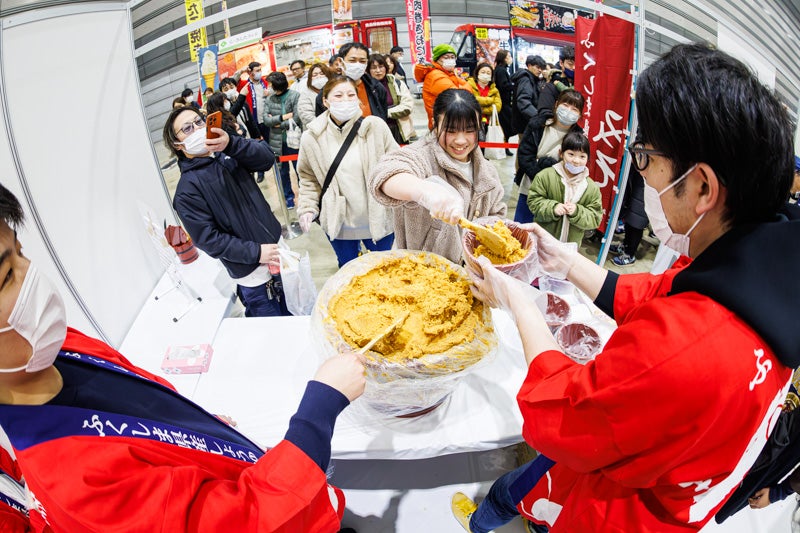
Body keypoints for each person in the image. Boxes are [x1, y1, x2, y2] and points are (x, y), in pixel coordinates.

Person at [452, 42, 800, 533]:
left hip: (629, 516)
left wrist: (517, 297)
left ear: (701, 186)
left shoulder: (686, 348)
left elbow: (565, 415)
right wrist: (566, 259)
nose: (640, 171)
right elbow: (655, 295)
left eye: (645, 156)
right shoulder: (760, 269)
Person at [0, 182, 367, 532]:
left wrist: (193, 431)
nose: (32, 276)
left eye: (21, 252)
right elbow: (250, 519)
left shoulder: (61, 347)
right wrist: (322, 404)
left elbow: (148, 403)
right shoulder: (78, 486)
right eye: (5, 277)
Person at [164, 106, 289, 317]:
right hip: (254, 276)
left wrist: (232, 143)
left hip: (281, 254)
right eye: (187, 128)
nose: (196, 129)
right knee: (275, 330)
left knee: (300, 317)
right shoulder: (187, 191)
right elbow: (208, 239)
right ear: (177, 144)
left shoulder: (227, 154)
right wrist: (256, 252)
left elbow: (266, 158)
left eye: (199, 122)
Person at [369, 88, 506, 264]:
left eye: (470, 130)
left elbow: (497, 217)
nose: (461, 140)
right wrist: (422, 190)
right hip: (422, 275)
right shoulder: (421, 155)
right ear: (434, 123)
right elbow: (385, 173)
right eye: (451, 130)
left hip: (471, 275)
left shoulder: (487, 172)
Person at [297, 76, 397, 267]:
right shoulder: (312, 137)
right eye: (338, 95)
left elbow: (396, 164)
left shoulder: (375, 127)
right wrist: (308, 207)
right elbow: (308, 178)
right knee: (348, 267)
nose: (345, 100)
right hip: (339, 222)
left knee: (385, 269)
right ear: (325, 101)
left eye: (351, 95)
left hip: (377, 217)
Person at [514, 89, 585, 224]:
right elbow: (524, 155)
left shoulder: (578, 137)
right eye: (565, 105)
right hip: (530, 185)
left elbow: (576, 164)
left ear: (580, 114)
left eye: (574, 109)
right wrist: (540, 177)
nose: (568, 111)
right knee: (521, 229)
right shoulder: (538, 124)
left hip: (557, 193)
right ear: (556, 104)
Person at [526, 131, 602, 245]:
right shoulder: (545, 176)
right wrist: (553, 208)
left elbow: (595, 218)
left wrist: (577, 212)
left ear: (588, 159)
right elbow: (533, 202)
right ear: (561, 153)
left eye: (582, 156)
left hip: (571, 245)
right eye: (571, 154)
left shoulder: (591, 188)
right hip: (543, 241)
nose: (576, 161)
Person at [263, 71, 302, 209]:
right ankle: (288, 197)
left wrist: (280, 125)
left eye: (270, 84)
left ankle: (304, 197)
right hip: (277, 142)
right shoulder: (269, 99)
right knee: (282, 172)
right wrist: (283, 118)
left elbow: (297, 117)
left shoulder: (294, 96)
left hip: (295, 140)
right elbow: (266, 120)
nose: (268, 86)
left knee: (300, 170)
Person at [414, 44, 470, 130]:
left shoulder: (448, 73)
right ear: (437, 60)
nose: (450, 60)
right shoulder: (435, 75)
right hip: (442, 123)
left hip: (449, 119)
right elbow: (459, 95)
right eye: (446, 57)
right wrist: (467, 86)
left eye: (452, 57)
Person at [368, 54, 414, 145]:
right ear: (368, 70)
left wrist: (383, 113)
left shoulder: (397, 83)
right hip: (373, 133)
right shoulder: (365, 87)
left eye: (381, 67)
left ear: (386, 68)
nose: (378, 70)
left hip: (397, 130)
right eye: (373, 68)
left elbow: (407, 107)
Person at [609, 165, 649, 266]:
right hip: (636, 172)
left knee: (638, 218)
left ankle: (629, 254)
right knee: (629, 214)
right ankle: (625, 245)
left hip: (648, 179)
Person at [510, 55, 546, 136]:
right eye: (537, 67)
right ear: (529, 65)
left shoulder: (531, 78)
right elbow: (523, 100)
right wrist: (537, 117)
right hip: (525, 124)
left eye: (541, 68)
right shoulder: (525, 79)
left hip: (527, 123)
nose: (540, 70)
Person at [536, 45, 575, 116]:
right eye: (570, 64)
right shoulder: (551, 86)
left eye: (577, 64)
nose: (574, 67)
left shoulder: (581, 85)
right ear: (561, 63)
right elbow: (544, 112)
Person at [466, 62, 502, 132]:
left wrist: (479, 107)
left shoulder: (494, 90)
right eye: (483, 72)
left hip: (490, 124)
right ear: (477, 73)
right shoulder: (469, 85)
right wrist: (490, 101)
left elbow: (498, 107)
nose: (485, 75)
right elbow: (469, 102)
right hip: (471, 123)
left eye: (488, 73)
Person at [493, 49, 514, 156]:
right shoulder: (501, 71)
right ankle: (505, 147)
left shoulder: (500, 69)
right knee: (506, 127)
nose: (510, 58)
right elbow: (503, 86)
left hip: (502, 102)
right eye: (508, 56)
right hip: (503, 103)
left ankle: (505, 147)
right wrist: (514, 85)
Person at [298, 63, 331, 129]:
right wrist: (327, 126)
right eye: (315, 75)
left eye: (322, 74)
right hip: (316, 131)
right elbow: (306, 116)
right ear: (310, 78)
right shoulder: (305, 94)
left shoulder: (333, 90)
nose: (319, 76)